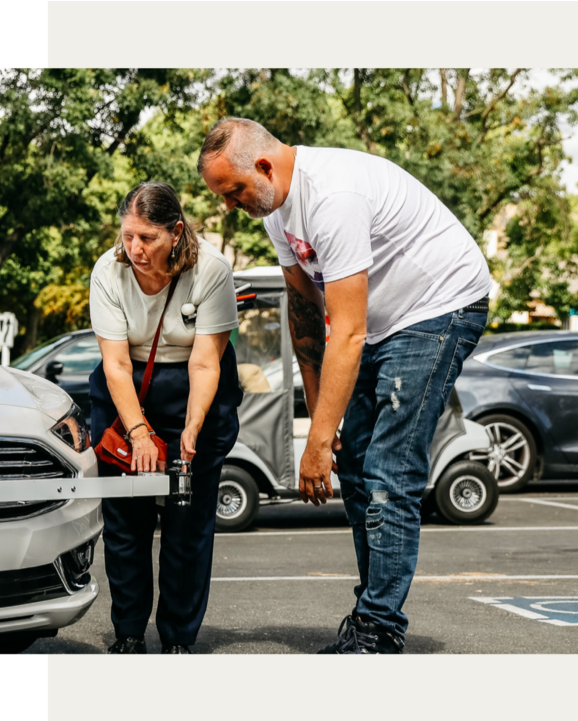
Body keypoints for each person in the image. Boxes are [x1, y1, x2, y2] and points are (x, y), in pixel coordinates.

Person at [198, 118, 493, 654]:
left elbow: (348, 332)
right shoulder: (275, 208)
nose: (229, 206)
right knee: (354, 462)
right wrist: (321, 425)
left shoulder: (334, 195)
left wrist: (314, 444)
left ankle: (377, 629)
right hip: (380, 324)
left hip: (439, 309)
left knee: (388, 470)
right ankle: (371, 611)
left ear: (264, 166)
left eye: (233, 191)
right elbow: (307, 314)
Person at [87, 181, 242, 654]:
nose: (134, 248)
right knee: (126, 525)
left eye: (147, 238)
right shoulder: (108, 271)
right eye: (128, 234)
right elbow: (114, 364)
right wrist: (137, 431)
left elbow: (205, 362)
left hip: (196, 391)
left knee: (186, 528)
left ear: (175, 232)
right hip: (126, 393)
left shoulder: (211, 270)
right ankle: (129, 634)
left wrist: (191, 429)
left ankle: (178, 639)